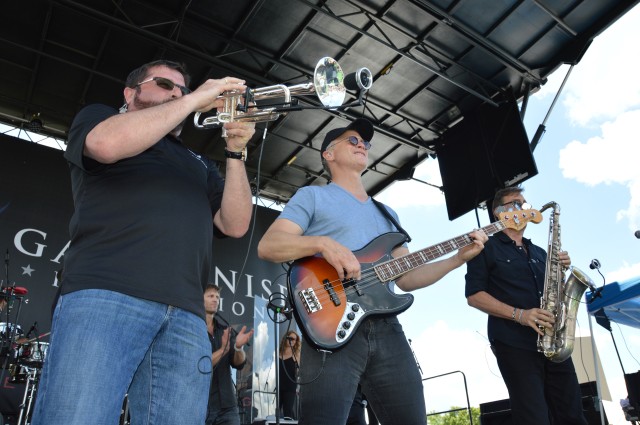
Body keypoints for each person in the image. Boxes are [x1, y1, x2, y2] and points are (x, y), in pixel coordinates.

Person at [30, 59, 255, 425]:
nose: (177, 93)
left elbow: (235, 224)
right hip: (105, 294)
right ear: (130, 92)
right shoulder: (100, 117)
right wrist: (194, 98)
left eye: (182, 89)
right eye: (165, 84)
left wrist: (235, 151)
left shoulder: (198, 162)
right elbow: (104, 145)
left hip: (185, 315)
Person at [257, 118, 488, 425]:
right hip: (330, 329)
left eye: (365, 143)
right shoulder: (312, 196)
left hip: (387, 330)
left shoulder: (387, 214)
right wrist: (323, 244)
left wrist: (457, 259)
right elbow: (269, 245)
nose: (362, 146)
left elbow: (406, 277)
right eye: (352, 141)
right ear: (328, 153)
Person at [465, 186, 587, 425]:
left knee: (572, 413)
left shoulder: (541, 252)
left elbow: (554, 293)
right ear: (499, 212)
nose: (525, 209)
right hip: (514, 343)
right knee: (533, 416)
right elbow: (474, 296)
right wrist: (520, 315)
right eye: (516, 204)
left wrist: (560, 273)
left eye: (525, 203)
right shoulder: (484, 247)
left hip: (553, 340)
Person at [204, 284, 253, 425]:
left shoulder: (224, 330)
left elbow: (238, 364)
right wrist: (223, 351)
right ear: (200, 300)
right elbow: (199, 365)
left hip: (228, 407)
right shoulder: (195, 329)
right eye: (210, 296)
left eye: (217, 297)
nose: (215, 300)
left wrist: (238, 347)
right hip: (202, 405)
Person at [278, 330, 301, 419]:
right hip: (278, 386)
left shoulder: (296, 354)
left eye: (295, 339)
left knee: (288, 411)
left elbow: (299, 371)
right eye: (290, 338)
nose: (292, 341)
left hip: (290, 387)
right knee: (275, 411)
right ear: (286, 338)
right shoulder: (278, 352)